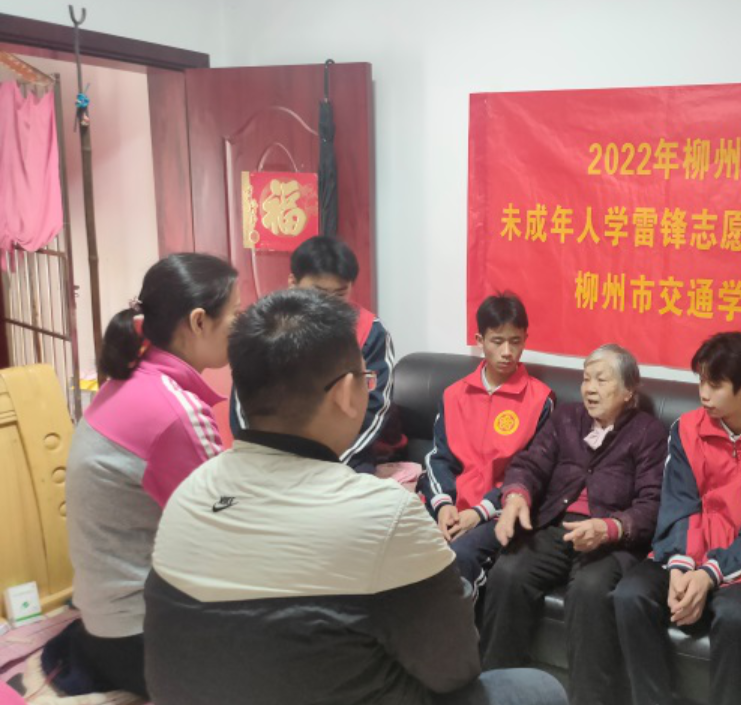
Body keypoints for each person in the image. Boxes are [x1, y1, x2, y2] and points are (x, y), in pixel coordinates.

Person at [144, 289, 566, 705]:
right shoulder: (385, 513)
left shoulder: (190, 494)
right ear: (347, 393)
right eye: (368, 380)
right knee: (540, 689)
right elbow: (455, 668)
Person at [63, 253, 239, 697]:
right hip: (141, 641)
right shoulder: (175, 412)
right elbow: (229, 531)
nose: (241, 326)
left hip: (103, 625)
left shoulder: (127, 380)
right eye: (235, 314)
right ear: (199, 321)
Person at [613, 332, 741, 705]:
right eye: (701, 380)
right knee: (630, 595)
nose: (703, 393)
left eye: (715, 386)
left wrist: (709, 574)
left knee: (737, 619)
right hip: (683, 552)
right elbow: (678, 505)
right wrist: (682, 566)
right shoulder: (686, 430)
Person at [481, 344, 665, 705]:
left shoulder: (648, 433)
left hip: (611, 539)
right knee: (508, 572)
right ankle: (496, 692)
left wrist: (608, 528)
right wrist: (516, 496)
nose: (589, 388)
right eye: (586, 379)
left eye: (602, 380)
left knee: (589, 591)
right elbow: (530, 464)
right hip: (555, 525)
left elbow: (652, 503)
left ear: (629, 391)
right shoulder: (566, 418)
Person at [416, 293, 554, 589]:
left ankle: (458, 620)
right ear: (480, 340)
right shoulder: (454, 394)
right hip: (451, 506)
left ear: (525, 340)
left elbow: (533, 473)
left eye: (515, 341)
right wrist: (443, 506)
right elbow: (439, 458)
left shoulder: (541, 400)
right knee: (405, 546)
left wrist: (479, 513)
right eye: (497, 341)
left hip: (498, 512)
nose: (507, 352)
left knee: (458, 557)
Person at [230, 235, 396, 472]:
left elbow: (376, 408)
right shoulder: (268, 327)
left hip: (345, 459)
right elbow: (245, 400)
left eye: (340, 294)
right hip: (267, 462)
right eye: (319, 293)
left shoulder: (370, 331)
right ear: (292, 282)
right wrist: (261, 459)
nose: (328, 304)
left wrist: (324, 466)